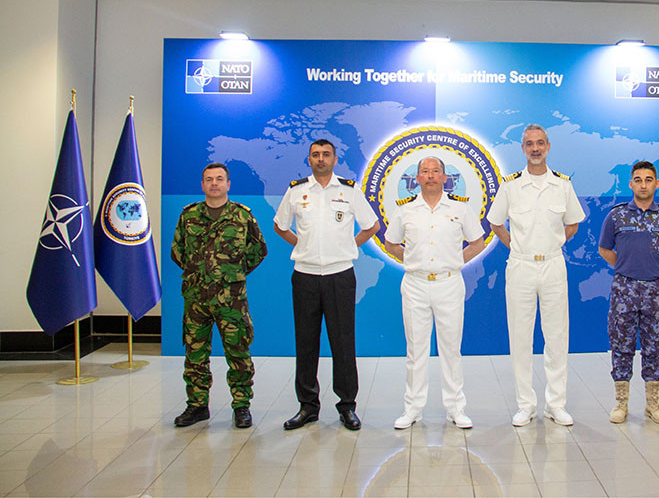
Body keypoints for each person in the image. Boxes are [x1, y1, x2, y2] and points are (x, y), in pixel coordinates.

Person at [274, 139, 380, 431]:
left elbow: (372, 226)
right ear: (309, 159)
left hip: (340, 275)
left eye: (326, 154)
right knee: (305, 343)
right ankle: (307, 406)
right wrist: (302, 245)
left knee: (343, 343)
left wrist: (348, 245)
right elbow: (280, 225)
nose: (320, 159)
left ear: (335, 159)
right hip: (305, 275)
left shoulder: (349, 190)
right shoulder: (296, 191)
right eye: (315, 155)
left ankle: (347, 406)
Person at [487, 124, 585, 427]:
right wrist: (516, 246)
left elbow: (572, 224)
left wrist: (553, 244)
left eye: (540, 143)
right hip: (521, 266)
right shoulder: (510, 186)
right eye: (529, 144)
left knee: (557, 336)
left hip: (553, 265)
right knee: (520, 337)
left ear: (548, 146)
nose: (535, 149)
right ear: (522, 148)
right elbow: (496, 223)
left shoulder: (562, 185)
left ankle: (556, 404)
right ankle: (525, 405)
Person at [384, 156, 485, 430]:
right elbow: (391, 243)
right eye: (425, 172)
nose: (430, 175)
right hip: (415, 285)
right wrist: (411, 261)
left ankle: (455, 409)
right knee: (416, 350)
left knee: (451, 349)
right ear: (417, 178)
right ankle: (412, 409)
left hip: (449, 284)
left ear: (444, 177)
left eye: (435, 171)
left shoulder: (460, 209)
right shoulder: (405, 210)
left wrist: (455, 261)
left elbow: (477, 241)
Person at [170, 162, 267, 429]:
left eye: (219, 179)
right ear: (202, 184)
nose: (214, 183)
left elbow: (258, 250)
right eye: (209, 179)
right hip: (196, 298)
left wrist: (232, 273)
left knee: (238, 352)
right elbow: (177, 251)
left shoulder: (242, 216)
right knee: (195, 354)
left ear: (228, 184)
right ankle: (197, 405)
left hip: (231, 299)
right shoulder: (188, 216)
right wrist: (200, 273)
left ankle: (241, 406)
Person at [597, 161, 659, 425]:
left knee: (654, 346)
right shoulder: (617, 216)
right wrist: (626, 267)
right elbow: (604, 249)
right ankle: (621, 404)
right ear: (631, 184)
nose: (643, 185)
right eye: (638, 180)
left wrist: (657, 268)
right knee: (621, 345)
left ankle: (652, 404)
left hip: (656, 290)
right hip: (624, 289)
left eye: (648, 180)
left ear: (656, 184)